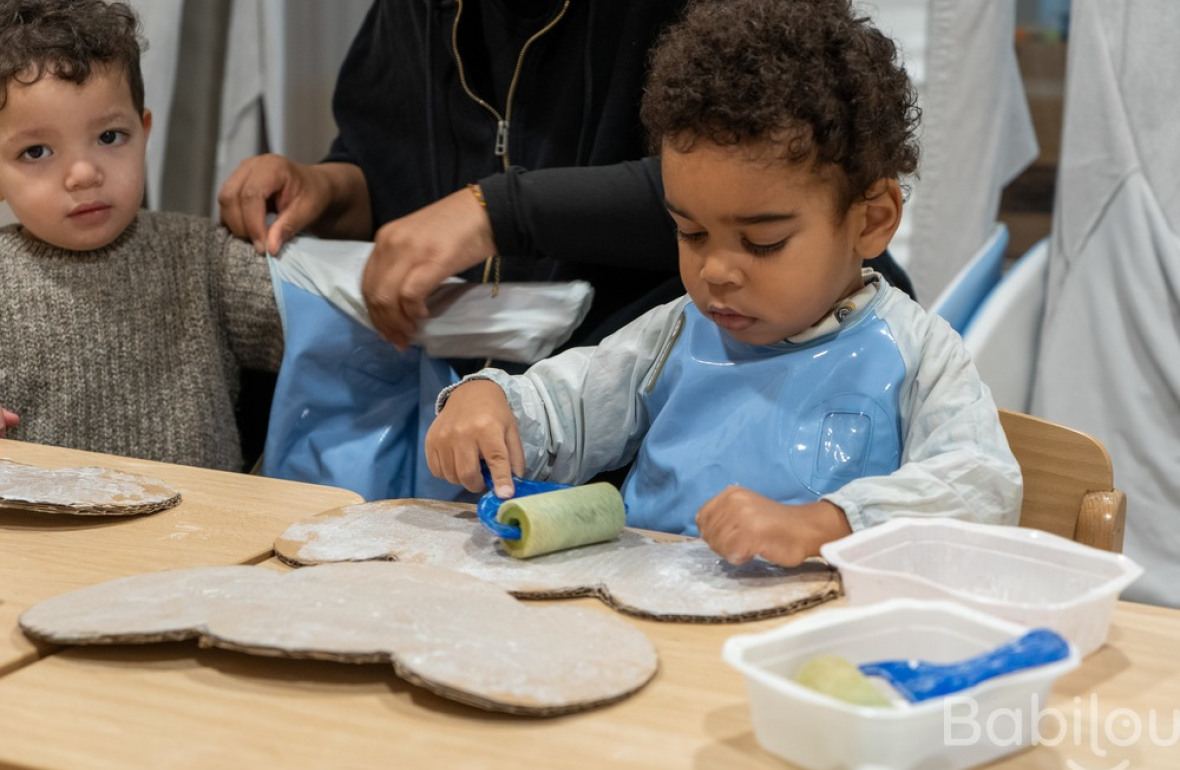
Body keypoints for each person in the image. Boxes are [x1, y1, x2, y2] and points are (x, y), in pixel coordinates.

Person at [424, 0, 1021, 567]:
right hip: (645, 619)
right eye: (690, 233)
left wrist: (825, 526)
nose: (715, 271)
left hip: (795, 646)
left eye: (762, 242)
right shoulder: (675, 333)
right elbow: (565, 410)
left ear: (872, 220)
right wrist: (490, 402)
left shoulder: (917, 353)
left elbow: (981, 486)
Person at [216, 0, 913, 360]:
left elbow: (763, 185)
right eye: (692, 234)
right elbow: (401, 167)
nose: (723, 259)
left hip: (707, 349)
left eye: (760, 243)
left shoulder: (899, 354)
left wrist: (501, 209)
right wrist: (332, 189)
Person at [0, 0, 281, 471]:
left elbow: (335, 324)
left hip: (205, 536)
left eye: (110, 137)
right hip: (45, 542)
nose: (84, 174)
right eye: (37, 151)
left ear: (143, 132)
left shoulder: (203, 258)